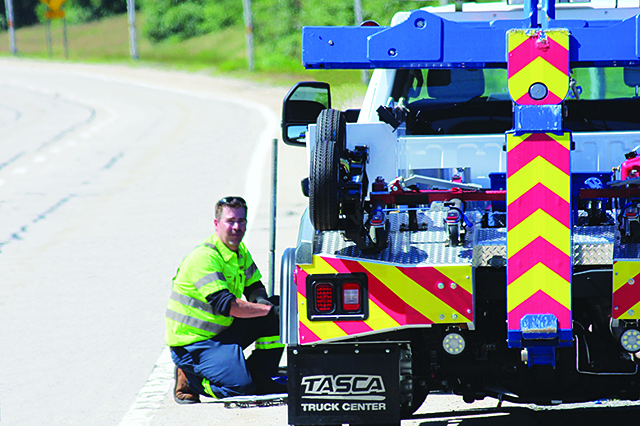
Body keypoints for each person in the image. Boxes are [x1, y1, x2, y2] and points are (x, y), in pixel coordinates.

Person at [165, 196, 285, 404]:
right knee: (241, 388)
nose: (236, 227)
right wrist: (267, 311)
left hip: (222, 332)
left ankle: (261, 374)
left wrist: (265, 305)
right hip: (195, 344)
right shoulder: (205, 258)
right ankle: (191, 380)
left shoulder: (239, 251)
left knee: (281, 308)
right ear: (216, 224)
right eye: (230, 221)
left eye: (242, 221)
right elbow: (228, 306)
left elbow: (254, 286)